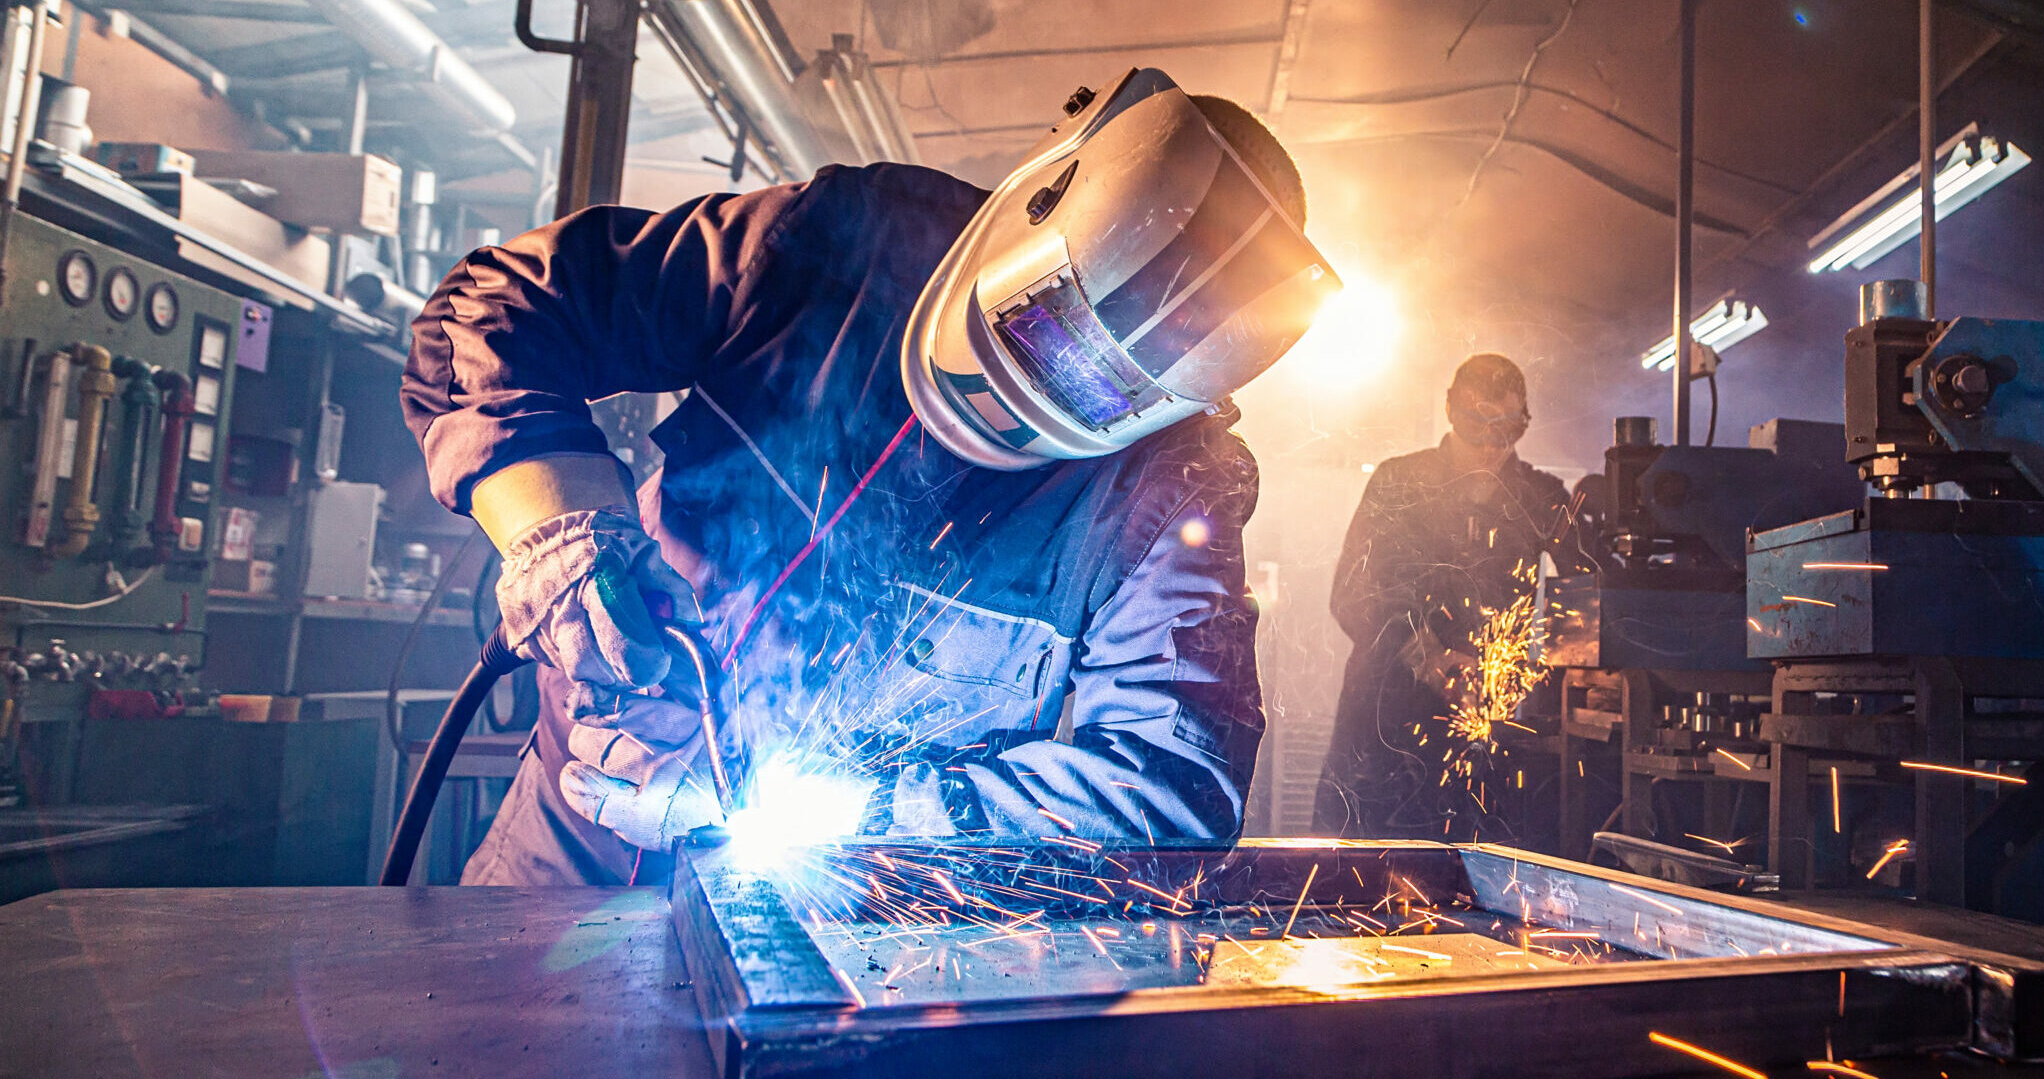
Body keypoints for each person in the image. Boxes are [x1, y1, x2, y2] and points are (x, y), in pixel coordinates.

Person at [404, 69, 1337, 884]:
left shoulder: (1170, 487)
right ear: (1037, 210)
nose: (1016, 409)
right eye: (1041, 332)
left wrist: (818, 817)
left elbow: (1162, 790)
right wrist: (558, 528)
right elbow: (499, 307)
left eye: (1102, 396)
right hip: (569, 849)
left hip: (839, 935)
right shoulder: (843, 245)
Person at [1315, 353, 1570, 840]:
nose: (1492, 444)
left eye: (1508, 428)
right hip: (1387, 721)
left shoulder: (1540, 496)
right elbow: (1351, 592)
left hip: (1490, 720)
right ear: (1450, 408)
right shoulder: (1398, 481)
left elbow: (1593, 588)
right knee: (1362, 880)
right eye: (1479, 424)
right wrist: (1428, 655)